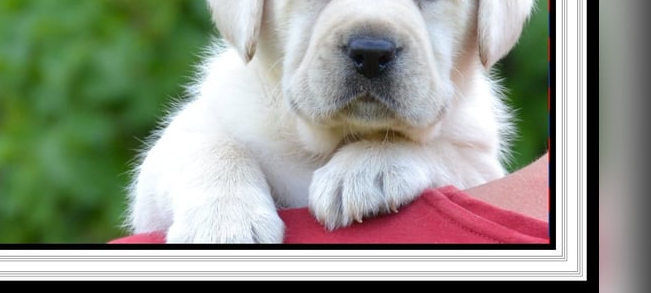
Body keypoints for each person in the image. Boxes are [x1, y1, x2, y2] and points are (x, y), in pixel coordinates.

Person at [109, 152, 550, 244]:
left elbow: (478, 197)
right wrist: (217, 184)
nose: (371, 37)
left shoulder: (465, 132)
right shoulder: (229, 110)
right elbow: (150, 211)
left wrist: (424, 159)